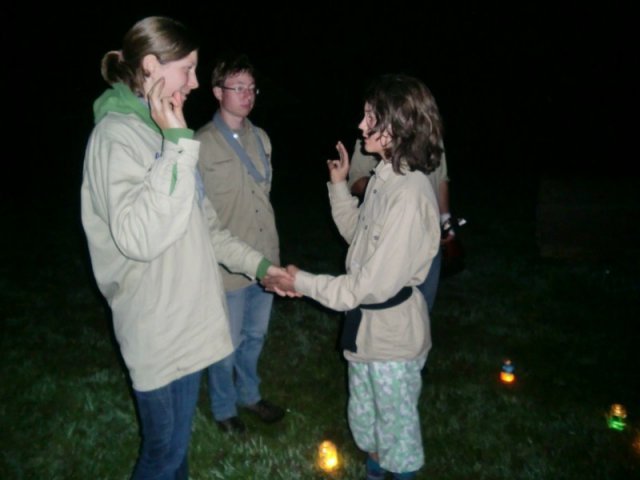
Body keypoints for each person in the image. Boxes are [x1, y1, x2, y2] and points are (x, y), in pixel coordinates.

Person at [80, 17, 290, 479]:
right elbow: (138, 237)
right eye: (188, 69)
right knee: (161, 456)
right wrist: (177, 144)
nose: (195, 83)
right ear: (151, 66)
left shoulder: (162, 132)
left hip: (187, 321)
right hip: (156, 327)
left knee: (177, 453)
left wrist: (262, 267)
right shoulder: (116, 137)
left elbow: (206, 227)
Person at [264, 74, 443, 480]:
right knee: (368, 425)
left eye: (370, 117)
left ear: (397, 125)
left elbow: (365, 287)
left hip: (393, 340)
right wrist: (339, 186)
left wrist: (299, 281)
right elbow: (358, 237)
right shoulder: (385, 178)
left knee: (397, 439)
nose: (361, 126)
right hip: (367, 333)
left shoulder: (409, 196)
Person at [195, 54, 285, 434]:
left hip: (266, 260)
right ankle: (222, 408)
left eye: (252, 88)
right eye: (238, 88)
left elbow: (264, 194)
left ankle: (249, 395)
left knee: (254, 337)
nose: (248, 95)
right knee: (225, 344)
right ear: (218, 92)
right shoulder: (200, 145)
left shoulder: (261, 138)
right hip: (226, 267)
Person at [348, 136, 454, 313]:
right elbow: (354, 180)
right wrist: (384, 185)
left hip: (428, 234)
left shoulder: (431, 134)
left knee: (422, 308)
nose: (363, 126)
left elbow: (440, 179)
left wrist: (446, 222)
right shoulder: (375, 133)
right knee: (386, 307)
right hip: (389, 235)